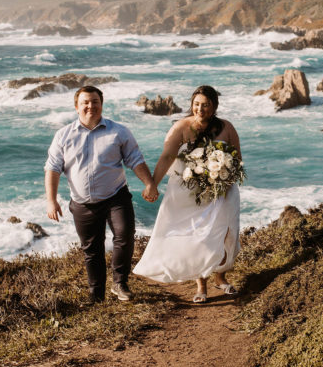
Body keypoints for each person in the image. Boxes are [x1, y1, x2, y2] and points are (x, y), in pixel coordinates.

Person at [45, 85, 158, 303]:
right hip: (82, 202)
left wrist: (149, 184)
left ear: (101, 104)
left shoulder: (119, 131)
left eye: (95, 102)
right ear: (76, 107)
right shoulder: (63, 136)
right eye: (85, 102)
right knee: (92, 249)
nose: (90, 106)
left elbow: (134, 159)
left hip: (116, 196)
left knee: (125, 235)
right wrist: (51, 200)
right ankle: (96, 294)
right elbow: (53, 168)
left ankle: (119, 283)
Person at [133, 85, 241, 303]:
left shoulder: (227, 128)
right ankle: (201, 284)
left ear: (214, 107)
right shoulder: (181, 127)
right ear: (192, 105)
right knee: (198, 235)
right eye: (196, 104)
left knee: (226, 232)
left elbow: (237, 158)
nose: (200, 109)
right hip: (190, 192)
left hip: (222, 190)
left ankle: (220, 277)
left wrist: (225, 175)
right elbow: (166, 157)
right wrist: (152, 184)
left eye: (206, 105)